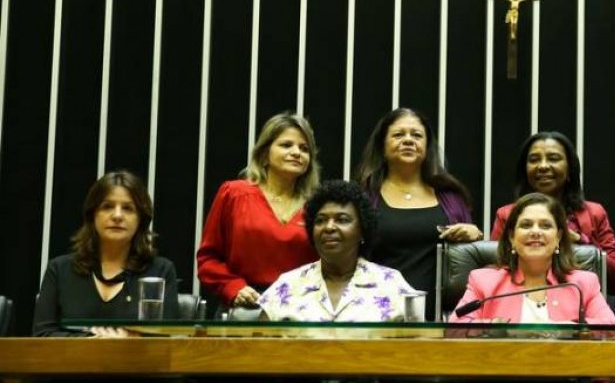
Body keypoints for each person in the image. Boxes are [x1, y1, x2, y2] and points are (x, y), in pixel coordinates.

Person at [357, 107, 483, 319]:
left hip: (438, 316)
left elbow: (469, 265)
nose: (408, 140)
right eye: (398, 135)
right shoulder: (363, 197)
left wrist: (474, 237)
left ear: (427, 146)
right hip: (375, 313)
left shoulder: (451, 197)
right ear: (382, 146)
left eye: (416, 135)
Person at [197, 113, 321, 310]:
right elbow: (208, 259)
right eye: (286, 145)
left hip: (300, 311)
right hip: (245, 307)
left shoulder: (318, 205)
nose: (297, 152)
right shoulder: (234, 194)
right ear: (264, 154)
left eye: (304, 149)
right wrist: (233, 288)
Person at [34, 171, 180, 336]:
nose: (117, 216)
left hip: (137, 362)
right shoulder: (60, 270)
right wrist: (95, 342)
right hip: (73, 362)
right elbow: (42, 335)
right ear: (92, 215)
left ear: (141, 219)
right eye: (107, 206)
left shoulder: (160, 271)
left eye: (128, 208)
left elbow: (166, 342)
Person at [257, 180, 421, 322]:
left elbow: (419, 348)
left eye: (342, 220)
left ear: (362, 230)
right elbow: (257, 348)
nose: (329, 227)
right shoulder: (288, 284)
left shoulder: (392, 283)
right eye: (320, 220)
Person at [450, 192, 615, 324]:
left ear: (558, 237)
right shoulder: (483, 281)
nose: (535, 232)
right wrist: (498, 328)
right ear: (511, 237)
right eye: (526, 225)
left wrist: (570, 329)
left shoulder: (584, 284)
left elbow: (610, 327)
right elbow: (456, 328)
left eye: (545, 225)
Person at [490, 131, 615, 292]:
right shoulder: (507, 215)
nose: (543, 166)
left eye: (553, 158)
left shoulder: (594, 213)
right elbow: (496, 271)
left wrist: (582, 243)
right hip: (520, 298)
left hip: (580, 301)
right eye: (534, 160)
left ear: (569, 169)